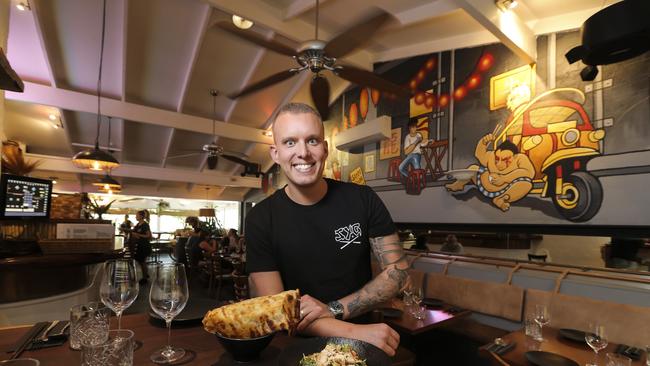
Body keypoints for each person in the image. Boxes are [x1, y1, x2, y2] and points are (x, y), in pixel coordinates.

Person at [246, 103, 409, 356]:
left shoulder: (363, 199)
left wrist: (333, 308)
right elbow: (276, 309)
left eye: (311, 140)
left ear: (325, 148)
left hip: (364, 348)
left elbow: (398, 273)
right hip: (299, 348)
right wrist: (354, 332)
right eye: (290, 142)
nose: (303, 153)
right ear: (275, 154)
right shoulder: (260, 217)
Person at [128, 210, 152, 284]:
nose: (136, 216)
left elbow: (148, 235)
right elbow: (134, 232)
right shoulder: (138, 224)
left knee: (142, 262)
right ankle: (145, 274)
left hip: (144, 246)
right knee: (140, 261)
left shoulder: (145, 225)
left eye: (137, 215)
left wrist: (138, 235)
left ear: (141, 216)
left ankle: (144, 278)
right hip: (138, 246)